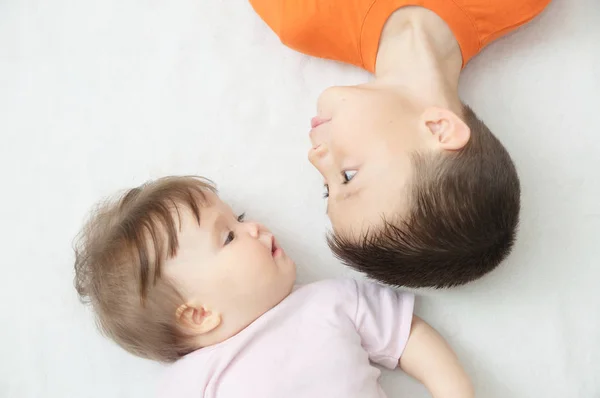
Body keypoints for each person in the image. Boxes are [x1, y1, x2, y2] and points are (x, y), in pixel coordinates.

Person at [73, 175, 473, 397]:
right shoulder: (193, 380)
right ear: (199, 314)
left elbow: (409, 337)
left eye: (239, 217)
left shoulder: (330, 301)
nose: (254, 227)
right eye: (228, 236)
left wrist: (451, 388)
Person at [249, 0, 552, 288]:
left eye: (328, 188)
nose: (315, 158)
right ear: (439, 130)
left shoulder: (300, 16)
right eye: (348, 177)